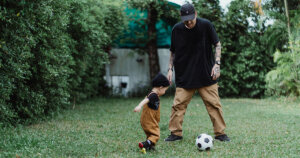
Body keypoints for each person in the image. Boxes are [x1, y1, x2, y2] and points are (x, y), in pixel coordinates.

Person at [164, 3, 230, 142]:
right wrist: (170, 69)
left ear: (196, 14)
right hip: (185, 75)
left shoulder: (206, 25)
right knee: (178, 106)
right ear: (181, 17)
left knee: (214, 105)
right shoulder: (177, 30)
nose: (188, 22)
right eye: (185, 19)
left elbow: (217, 44)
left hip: (206, 73)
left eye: (191, 18)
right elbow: (173, 51)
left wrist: (217, 64)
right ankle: (175, 133)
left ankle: (220, 133)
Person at [134, 73, 170, 151]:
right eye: (165, 90)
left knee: (150, 134)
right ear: (161, 88)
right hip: (148, 120)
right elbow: (146, 100)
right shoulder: (153, 95)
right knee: (156, 134)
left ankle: (150, 146)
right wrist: (139, 106)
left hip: (147, 120)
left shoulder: (153, 94)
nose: (165, 92)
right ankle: (144, 144)